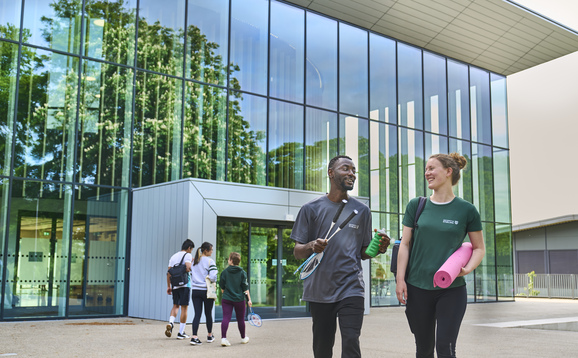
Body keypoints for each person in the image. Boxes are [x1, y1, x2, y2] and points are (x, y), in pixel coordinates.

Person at [291, 155, 390, 358]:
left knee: (351, 341)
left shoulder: (362, 211)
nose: (351, 174)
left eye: (354, 170)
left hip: (351, 287)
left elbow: (363, 252)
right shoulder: (310, 209)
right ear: (330, 173)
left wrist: (379, 248)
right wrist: (311, 245)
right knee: (322, 347)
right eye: (346, 169)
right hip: (319, 290)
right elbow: (297, 251)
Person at [395, 153, 486, 358]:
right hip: (417, 288)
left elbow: (478, 247)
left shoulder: (467, 210)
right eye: (426, 169)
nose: (427, 173)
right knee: (424, 349)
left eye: (431, 168)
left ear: (448, 171)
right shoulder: (416, 206)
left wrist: (468, 268)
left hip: (451, 290)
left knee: (445, 349)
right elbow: (405, 245)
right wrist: (401, 280)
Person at [219, 251, 252, 347]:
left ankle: (223, 338)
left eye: (229, 258)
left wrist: (225, 295)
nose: (228, 260)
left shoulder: (224, 272)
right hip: (239, 299)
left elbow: (222, 286)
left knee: (226, 318)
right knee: (240, 319)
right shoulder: (242, 273)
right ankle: (243, 338)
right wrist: (249, 300)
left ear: (231, 261)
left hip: (227, 299)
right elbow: (245, 288)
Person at [189, 242, 218, 345]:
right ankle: (209, 336)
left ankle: (194, 337)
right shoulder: (210, 261)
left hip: (195, 291)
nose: (212, 251)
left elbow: (191, 274)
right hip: (206, 291)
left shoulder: (194, 261)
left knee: (197, 314)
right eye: (211, 250)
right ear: (206, 250)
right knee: (208, 314)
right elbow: (213, 277)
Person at [165, 239, 194, 339]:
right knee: (184, 308)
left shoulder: (173, 256)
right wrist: (190, 265)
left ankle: (171, 323)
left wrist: (169, 286)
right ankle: (181, 333)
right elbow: (188, 267)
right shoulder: (188, 255)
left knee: (175, 306)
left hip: (175, 285)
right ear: (189, 248)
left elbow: (169, 273)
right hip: (185, 285)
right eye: (191, 249)